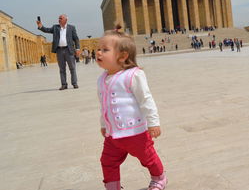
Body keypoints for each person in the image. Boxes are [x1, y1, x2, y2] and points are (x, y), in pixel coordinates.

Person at [96, 26, 167, 190]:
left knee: (147, 157)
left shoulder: (133, 75)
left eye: (104, 50)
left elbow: (146, 100)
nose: (98, 52)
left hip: (135, 133)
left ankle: (159, 178)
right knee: (107, 161)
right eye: (98, 49)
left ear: (122, 56)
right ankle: (113, 185)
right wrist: (103, 125)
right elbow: (104, 105)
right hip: (113, 135)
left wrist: (153, 122)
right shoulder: (102, 79)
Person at [37, 14, 80, 90]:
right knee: (62, 69)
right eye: (59, 18)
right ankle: (64, 84)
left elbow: (76, 39)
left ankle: (74, 83)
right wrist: (41, 26)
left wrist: (77, 49)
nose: (59, 19)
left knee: (72, 68)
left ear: (65, 20)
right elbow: (47, 30)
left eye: (60, 18)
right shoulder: (55, 27)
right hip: (59, 50)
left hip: (69, 50)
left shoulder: (71, 28)